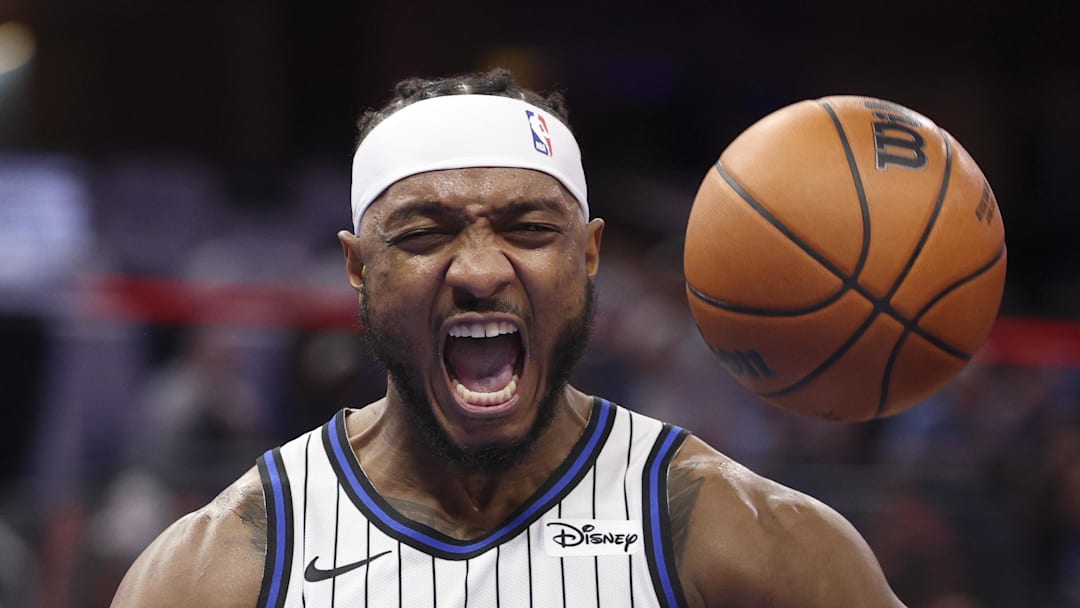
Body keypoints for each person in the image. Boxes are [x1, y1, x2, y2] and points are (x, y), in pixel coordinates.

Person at [111, 68, 906, 607]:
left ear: (589, 256)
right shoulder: (221, 569)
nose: (481, 271)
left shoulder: (744, 538)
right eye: (425, 233)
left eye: (528, 229)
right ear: (357, 267)